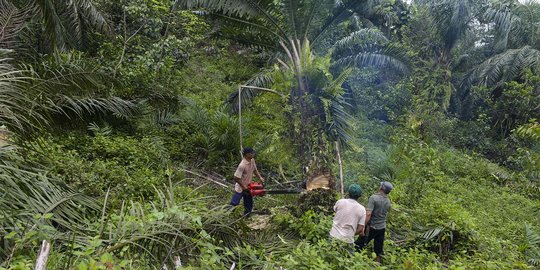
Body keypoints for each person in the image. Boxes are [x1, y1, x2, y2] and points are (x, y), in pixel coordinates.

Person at [355, 181, 393, 263]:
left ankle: (353, 261)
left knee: (358, 245)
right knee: (378, 250)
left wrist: (363, 227)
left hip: (371, 227)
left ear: (381, 188)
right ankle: (378, 264)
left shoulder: (373, 198)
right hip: (382, 227)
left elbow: (368, 214)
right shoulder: (388, 201)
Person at [228, 147, 264, 216]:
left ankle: (246, 216)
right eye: (251, 153)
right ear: (247, 154)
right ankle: (228, 215)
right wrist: (243, 186)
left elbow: (255, 170)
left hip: (248, 186)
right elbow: (236, 178)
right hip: (240, 187)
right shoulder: (242, 165)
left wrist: (260, 177)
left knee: (248, 203)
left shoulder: (252, 160)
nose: (253, 154)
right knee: (234, 203)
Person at [329, 184, 366, 248]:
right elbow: (360, 229)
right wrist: (350, 234)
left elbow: (335, 211)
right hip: (348, 240)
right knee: (348, 257)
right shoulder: (362, 209)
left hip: (334, 235)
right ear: (359, 196)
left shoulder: (340, 202)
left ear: (348, 193)